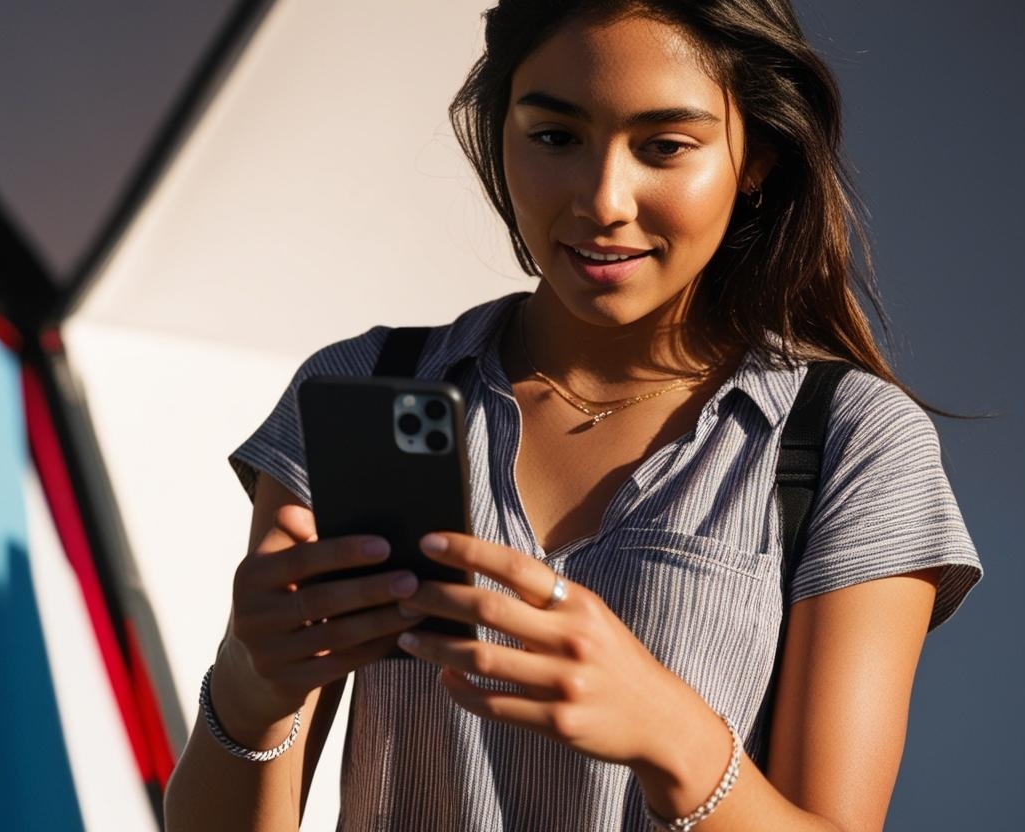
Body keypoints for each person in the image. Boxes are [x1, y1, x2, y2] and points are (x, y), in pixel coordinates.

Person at [164, 0, 983, 829]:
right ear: (500, 136)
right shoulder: (364, 385)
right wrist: (248, 688)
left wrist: (677, 739)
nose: (603, 199)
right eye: (556, 137)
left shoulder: (851, 442)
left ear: (758, 159)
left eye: (665, 146)